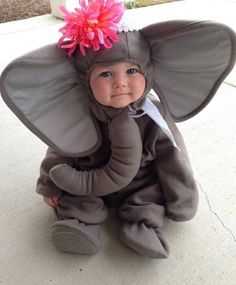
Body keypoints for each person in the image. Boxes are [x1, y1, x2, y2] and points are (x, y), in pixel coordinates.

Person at [1, 0, 235, 259]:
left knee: (152, 197)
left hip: (141, 181)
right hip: (89, 179)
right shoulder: (79, 111)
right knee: (74, 193)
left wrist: (183, 197)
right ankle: (80, 224)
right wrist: (49, 183)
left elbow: (173, 156)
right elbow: (60, 145)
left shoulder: (155, 116)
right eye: (106, 74)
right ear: (84, 79)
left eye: (132, 70)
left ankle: (141, 225)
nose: (121, 84)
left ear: (148, 71)